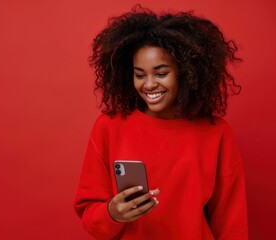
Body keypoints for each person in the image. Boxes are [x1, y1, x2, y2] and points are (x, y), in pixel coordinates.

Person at [73, 5, 248, 240]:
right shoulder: (109, 126)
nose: (149, 84)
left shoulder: (216, 132)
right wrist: (112, 213)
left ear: (185, 73)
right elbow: (89, 213)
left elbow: (231, 220)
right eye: (140, 74)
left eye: (161, 73)